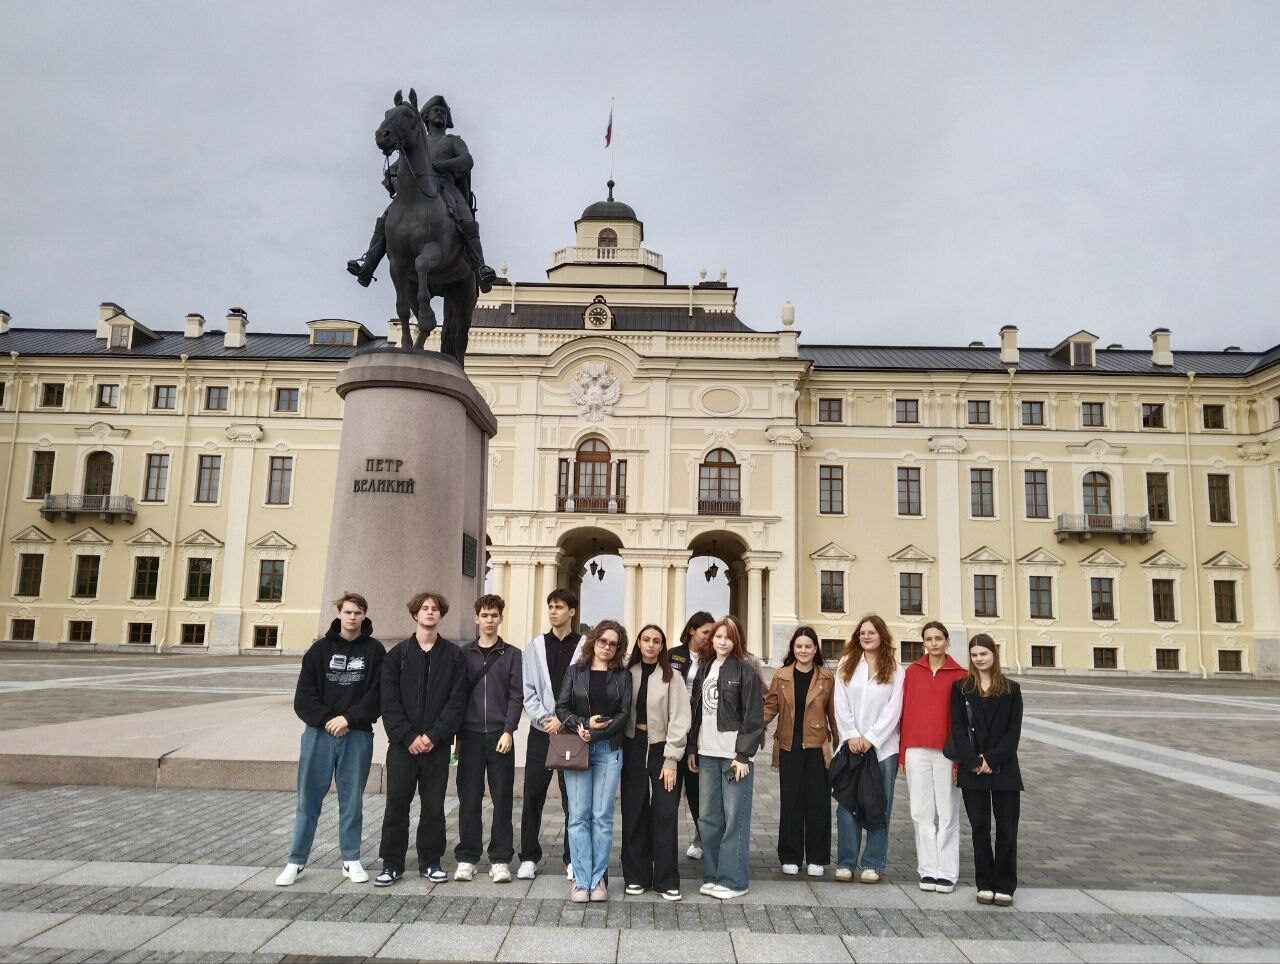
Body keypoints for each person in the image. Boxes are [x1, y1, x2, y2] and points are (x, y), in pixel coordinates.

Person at [276, 593, 384, 887]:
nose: (352, 617)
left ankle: (351, 860)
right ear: (339, 613)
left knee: (352, 801)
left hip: (357, 734)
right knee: (308, 800)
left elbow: (377, 695)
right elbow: (304, 696)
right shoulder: (318, 651)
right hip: (318, 734)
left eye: (358, 612)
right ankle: (295, 861)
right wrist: (327, 719)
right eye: (348, 612)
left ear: (364, 615)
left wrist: (348, 718)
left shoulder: (375, 652)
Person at [347, 94, 497, 292]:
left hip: (447, 188)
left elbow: (467, 161)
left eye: (443, 112)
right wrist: (395, 180)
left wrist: (440, 166)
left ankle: (480, 267)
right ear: (425, 117)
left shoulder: (452, 141)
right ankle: (368, 264)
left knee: (465, 218)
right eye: (436, 111)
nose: (440, 114)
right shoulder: (416, 143)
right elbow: (392, 169)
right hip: (414, 192)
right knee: (386, 218)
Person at [375, 591, 467, 886]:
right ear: (415, 614)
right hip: (403, 747)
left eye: (435, 609)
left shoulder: (453, 656)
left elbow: (457, 702)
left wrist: (435, 735)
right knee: (397, 805)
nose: (430, 613)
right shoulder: (397, 656)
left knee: (433, 806)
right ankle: (392, 863)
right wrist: (408, 736)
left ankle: (431, 860)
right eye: (424, 608)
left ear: (441, 615)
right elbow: (388, 702)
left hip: (436, 747)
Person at [687, 618, 763, 900]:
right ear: (712, 640)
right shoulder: (705, 668)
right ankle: (715, 875)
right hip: (706, 754)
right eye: (718, 636)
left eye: (728, 637)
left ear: (736, 641)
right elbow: (697, 712)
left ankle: (734, 881)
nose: (722, 642)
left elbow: (754, 716)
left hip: (732, 757)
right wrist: (693, 747)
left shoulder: (745, 670)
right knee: (708, 818)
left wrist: (743, 755)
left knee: (735, 819)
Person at [556, 619, 632, 902]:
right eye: (603, 641)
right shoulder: (575, 672)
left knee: (602, 817)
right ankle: (580, 879)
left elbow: (624, 714)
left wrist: (597, 735)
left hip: (609, 749)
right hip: (578, 747)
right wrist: (582, 725)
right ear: (593, 641)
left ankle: (598, 879)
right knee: (578, 816)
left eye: (613, 644)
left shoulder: (623, 676)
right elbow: (561, 707)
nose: (607, 647)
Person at [453, 594, 523, 883]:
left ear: (500, 618)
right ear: (476, 618)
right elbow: (455, 695)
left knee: (502, 799)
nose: (489, 620)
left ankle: (500, 859)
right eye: (485, 615)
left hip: (499, 735)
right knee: (468, 798)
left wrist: (509, 730)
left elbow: (516, 696)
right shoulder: (463, 653)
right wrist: (456, 735)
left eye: (494, 615)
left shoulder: (512, 654)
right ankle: (467, 857)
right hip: (469, 735)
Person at [951, 633, 1023, 907]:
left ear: (994, 654)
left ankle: (1005, 884)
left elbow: (1013, 731)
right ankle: (985, 883)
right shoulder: (961, 688)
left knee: (1006, 829)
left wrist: (991, 760)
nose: (979, 659)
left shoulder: (1011, 689)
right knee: (979, 829)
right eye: (974, 654)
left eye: (984, 654)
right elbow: (957, 729)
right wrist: (973, 761)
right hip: (972, 769)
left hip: (1004, 769)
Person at [620, 624, 691, 901]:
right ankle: (636, 876)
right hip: (633, 746)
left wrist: (672, 758)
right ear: (638, 643)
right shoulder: (628, 674)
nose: (650, 645)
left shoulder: (672, 677)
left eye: (656, 641)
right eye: (646, 640)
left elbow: (680, 717)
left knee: (665, 813)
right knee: (634, 811)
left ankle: (666, 879)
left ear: (662, 646)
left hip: (663, 748)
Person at [833, 614, 904, 883]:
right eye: (862, 632)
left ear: (881, 635)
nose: (866, 636)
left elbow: (894, 709)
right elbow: (840, 703)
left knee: (879, 804)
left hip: (883, 748)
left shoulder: (896, 670)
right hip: (850, 746)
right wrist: (851, 735)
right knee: (846, 803)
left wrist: (872, 738)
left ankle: (873, 863)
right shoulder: (846, 665)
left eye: (871, 632)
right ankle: (846, 862)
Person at [762, 626, 838, 878]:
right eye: (798, 646)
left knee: (818, 802)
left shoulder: (827, 677)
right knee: (791, 802)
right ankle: (791, 855)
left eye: (808, 646)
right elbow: (770, 708)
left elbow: (833, 713)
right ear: (792, 649)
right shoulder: (781, 675)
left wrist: (840, 742)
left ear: (815, 649)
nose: (803, 650)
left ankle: (817, 857)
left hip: (817, 747)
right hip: (789, 747)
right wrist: (748, 730)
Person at [518, 589, 583, 880]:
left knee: (573, 798)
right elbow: (528, 690)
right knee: (533, 794)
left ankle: (572, 858)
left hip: (570, 731)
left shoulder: (585, 646)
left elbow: (584, 689)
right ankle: (529, 857)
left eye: (559, 607)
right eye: (550, 607)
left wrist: (564, 719)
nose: (553, 612)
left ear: (572, 611)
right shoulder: (535, 646)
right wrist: (546, 719)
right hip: (542, 731)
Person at [901, 620, 967, 894]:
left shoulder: (960, 674)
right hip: (916, 749)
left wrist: (960, 759)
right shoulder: (913, 672)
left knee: (948, 813)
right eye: (929, 639)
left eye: (938, 638)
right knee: (920, 812)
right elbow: (904, 713)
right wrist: (903, 753)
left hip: (947, 752)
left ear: (947, 641)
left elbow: (963, 722)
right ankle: (928, 870)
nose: (934, 643)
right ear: (923, 643)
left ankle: (947, 872)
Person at [668, 611, 714, 859]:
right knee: (670, 794)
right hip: (675, 730)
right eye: (706, 632)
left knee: (699, 795)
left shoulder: (713, 659)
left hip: (699, 731)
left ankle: (703, 840)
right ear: (692, 630)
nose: (709, 637)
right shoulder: (673, 654)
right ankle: (665, 845)